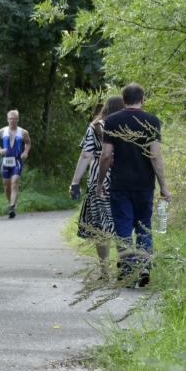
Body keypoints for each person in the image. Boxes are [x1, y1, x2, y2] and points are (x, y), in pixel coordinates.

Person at [97, 83, 171, 287]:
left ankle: (128, 270)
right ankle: (144, 264)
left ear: (124, 99)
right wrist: (163, 186)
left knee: (123, 227)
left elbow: (106, 155)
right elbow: (155, 156)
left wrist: (100, 182)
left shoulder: (112, 121)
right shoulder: (152, 121)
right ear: (142, 99)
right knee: (143, 226)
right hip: (144, 184)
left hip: (120, 185)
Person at [69, 95, 125, 278]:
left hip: (99, 179)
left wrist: (75, 182)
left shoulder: (95, 127)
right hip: (123, 178)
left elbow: (86, 155)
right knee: (121, 223)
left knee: (102, 226)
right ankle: (124, 267)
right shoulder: (127, 124)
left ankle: (105, 270)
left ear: (105, 108)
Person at [0, 109, 31, 218]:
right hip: (5, 160)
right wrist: (0, 150)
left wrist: (25, 152)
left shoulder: (23, 132)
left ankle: (12, 206)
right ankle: (11, 204)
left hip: (17, 160)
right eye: (10, 119)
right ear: (7, 119)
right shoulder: (2, 131)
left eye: (14, 119)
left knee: (14, 182)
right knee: (6, 185)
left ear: (17, 120)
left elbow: (28, 143)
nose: (12, 121)